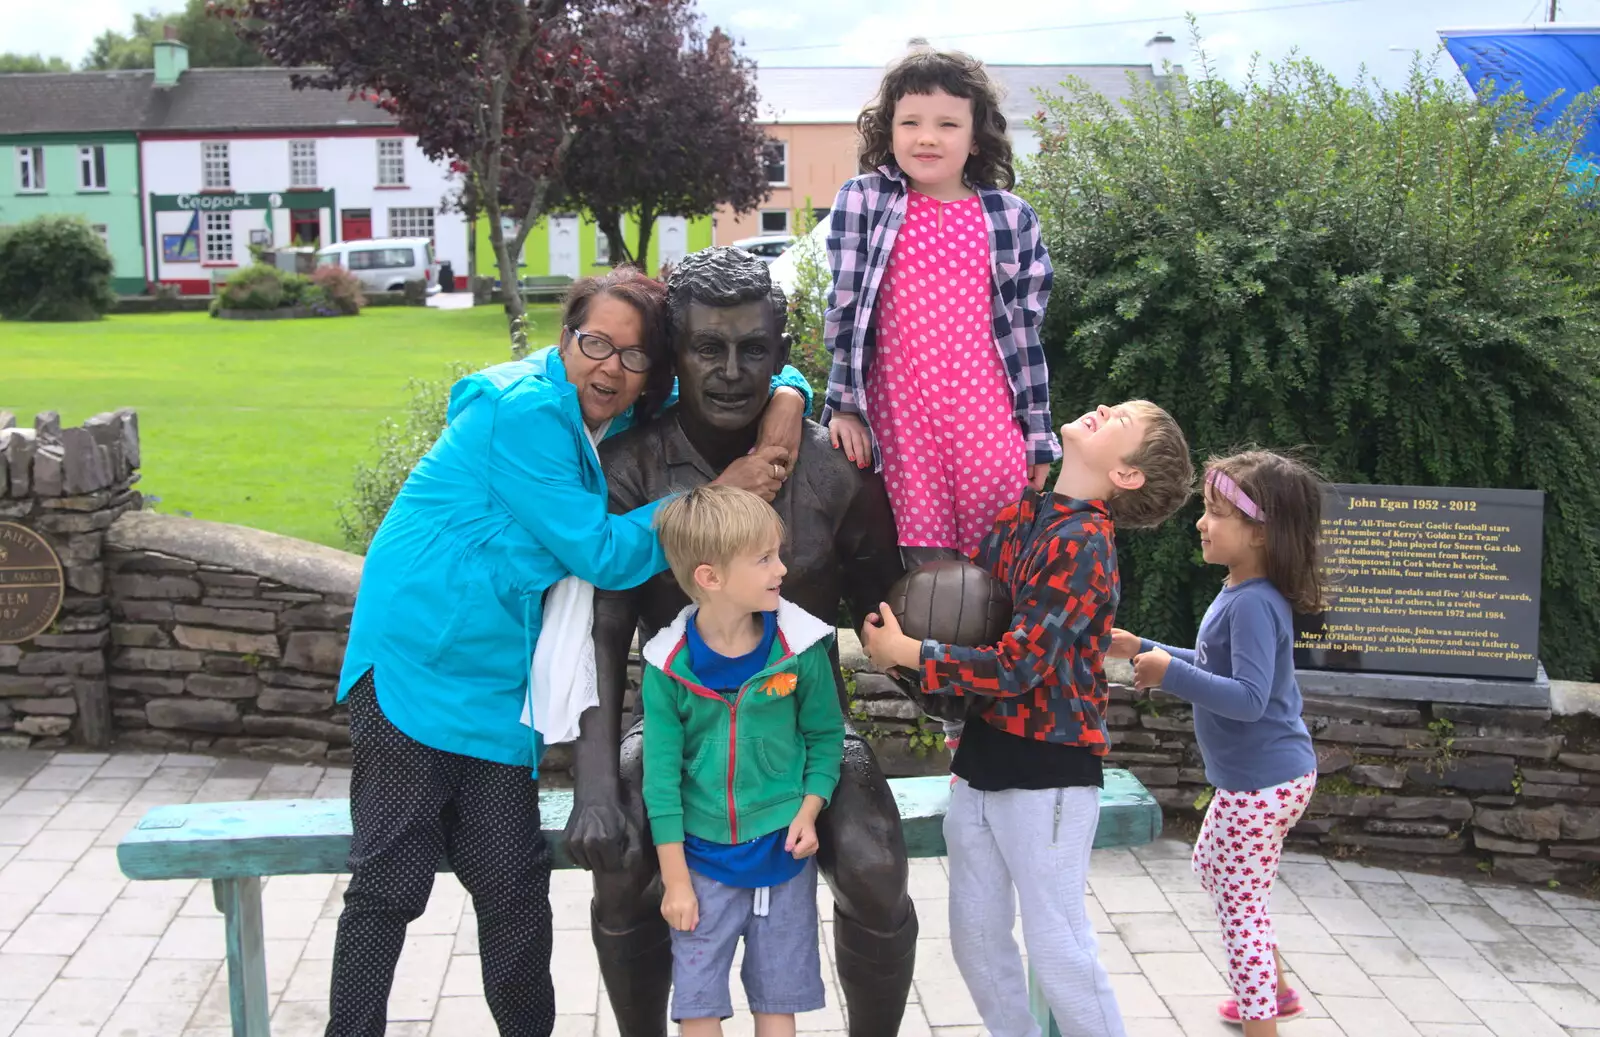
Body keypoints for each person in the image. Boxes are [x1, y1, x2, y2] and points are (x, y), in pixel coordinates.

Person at [324, 266, 814, 1037]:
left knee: (513, 885)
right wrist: (722, 490)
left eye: (632, 355)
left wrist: (789, 396)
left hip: (495, 693)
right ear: (564, 338)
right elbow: (602, 554)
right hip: (412, 666)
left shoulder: (615, 414)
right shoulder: (522, 414)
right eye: (594, 343)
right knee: (391, 879)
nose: (609, 367)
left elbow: (760, 372)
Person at [566, 246, 917, 1037]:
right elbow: (600, 640)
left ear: (782, 353)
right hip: (673, 729)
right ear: (675, 355)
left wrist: (951, 665)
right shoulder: (629, 469)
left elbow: (884, 610)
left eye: (753, 350)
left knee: (873, 864)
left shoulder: (836, 474)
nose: (730, 370)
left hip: (808, 735)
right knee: (622, 866)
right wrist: (593, 788)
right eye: (706, 349)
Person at [862, 401, 1195, 1037]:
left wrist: (909, 654)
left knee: (1059, 950)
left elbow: (1018, 666)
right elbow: (974, 613)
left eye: (1120, 419)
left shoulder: (1085, 542)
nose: (1101, 408)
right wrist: (910, 643)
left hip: (1052, 770)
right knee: (977, 944)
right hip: (983, 755)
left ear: (1125, 476)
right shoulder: (1023, 513)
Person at [822, 43, 1059, 760]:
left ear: (978, 134)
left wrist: (1040, 439)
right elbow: (842, 311)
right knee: (933, 588)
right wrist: (843, 405)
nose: (927, 137)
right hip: (905, 430)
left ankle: (998, 736)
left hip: (989, 427)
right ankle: (956, 728)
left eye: (947, 124)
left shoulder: (1009, 217)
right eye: (911, 121)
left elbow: (1025, 337)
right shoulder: (865, 202)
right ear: (886, 129)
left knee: (998, 582)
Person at [1111, 450, 1324, 1035]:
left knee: (1240, 905)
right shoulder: (1241, 591)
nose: (1201, 522)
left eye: (1216, 512)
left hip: (1263, 781)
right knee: (1215, 868)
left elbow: (1249, 698)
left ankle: (1264, 1018)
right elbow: (1212, 663)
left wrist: (1168, 674)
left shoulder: (1254, 602)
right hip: (1260, 779)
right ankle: (1273, 988)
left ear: (1260, 532)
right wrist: (1144, 648)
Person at [641, 484, 845, 1037]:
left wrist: (809, 810)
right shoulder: (668, 667)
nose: (782, 568)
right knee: (698, 1004)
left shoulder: (800, 649)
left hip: (783, 857)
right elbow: (659, 779)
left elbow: (826, 738)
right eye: (763, 559)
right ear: (710, 578)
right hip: (702, 865)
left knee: (778, 1002)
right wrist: (676, 881)